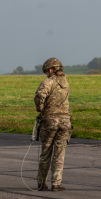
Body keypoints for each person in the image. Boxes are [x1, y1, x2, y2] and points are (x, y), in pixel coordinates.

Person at [34, 57, 72, 191]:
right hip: (65, 121)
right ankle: (56, 183)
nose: (46, 73)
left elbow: (39, 97)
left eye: (46, 71)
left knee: (46, 152)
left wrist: (41, 109)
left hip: (50, 121)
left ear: (50, 70)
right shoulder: (66, 83)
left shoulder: (48, 82)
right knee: (59, 153)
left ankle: (41, 182)